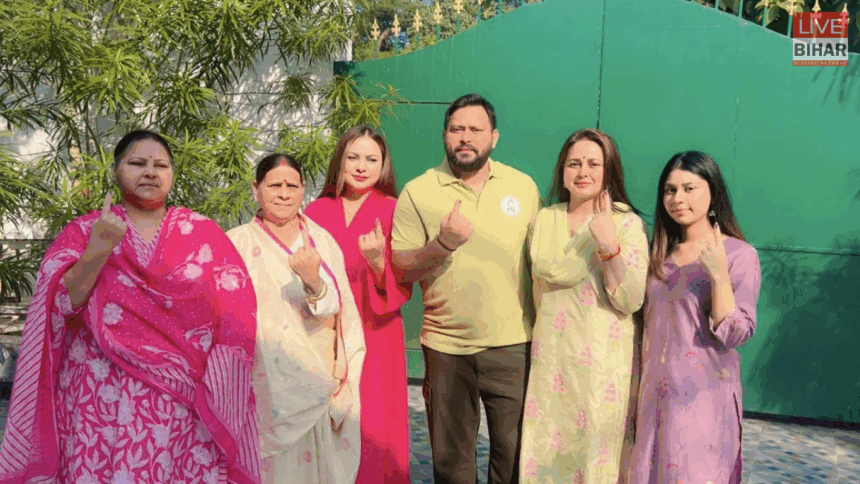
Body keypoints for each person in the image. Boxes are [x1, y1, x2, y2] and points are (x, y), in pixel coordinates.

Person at [0, 130, 261, 483]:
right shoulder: (85, 230)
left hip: (182, 401)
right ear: (116, 170)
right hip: (100, 394)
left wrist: (221, 385)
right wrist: (100, 246)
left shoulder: (203, 233)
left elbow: (237, 311)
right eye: (138, 163)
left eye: (161, 165)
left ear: (172, 174)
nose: (150, 172)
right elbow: (61, 304)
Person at [391, 93, 541, 484]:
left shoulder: (522, 187)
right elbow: (402, 268)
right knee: (451, 464)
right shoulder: (418, 191)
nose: (466, 137)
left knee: (514, 458)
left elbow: (543, 259)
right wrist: (442, 244)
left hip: (512, 345)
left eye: (476, 129)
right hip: (446, 347)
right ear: (445, 135)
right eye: (457, 129)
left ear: (494, 137)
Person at [226, 154, 366, 484]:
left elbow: (339, 309)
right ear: (256, 190)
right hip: (260, 387)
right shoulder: (235, 243)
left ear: (303, 190)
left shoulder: (322, 242)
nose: (284, 193)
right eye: (274, 185)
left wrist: (313, 281)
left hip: (313, 381)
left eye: (292, 186)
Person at [519, 129, 648, 484]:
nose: (583, 172)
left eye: (594, 164)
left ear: (609, 172)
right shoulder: (543, 221)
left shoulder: (625, 224)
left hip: (601, 367)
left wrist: (608, 246)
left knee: (592, 462)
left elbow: (630, 299)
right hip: (550, 362)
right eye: (574, 164)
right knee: (545, 456)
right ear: (562, 171)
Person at [627, 151, 761, 484]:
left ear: (713, 193)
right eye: (670, 190)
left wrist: (718, 276)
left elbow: (736, 333)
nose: (678, 198)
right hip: (654, 398)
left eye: (690, 188)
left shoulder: (738, 255)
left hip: (703, 400)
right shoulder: (659, 255)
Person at [304, 126, 412, 484]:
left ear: (384, 165)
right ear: (340, 161)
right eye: (353, 157)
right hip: (327, 331)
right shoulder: (316, 211)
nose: (361, 167)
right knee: (327, 420)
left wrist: (378, 262)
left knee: (374, 426)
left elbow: (405, 282)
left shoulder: (395, 210)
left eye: (371, 159)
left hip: (376, 329)